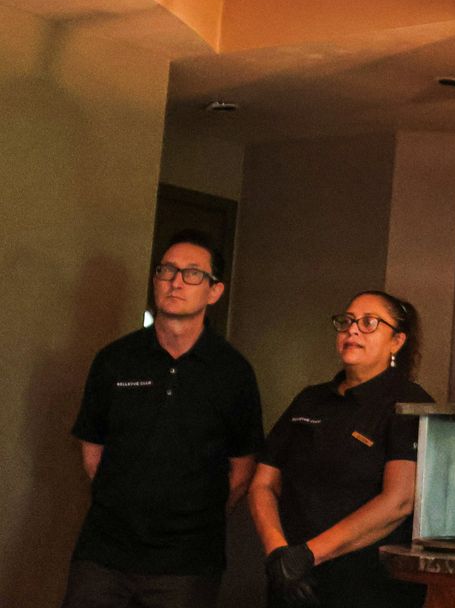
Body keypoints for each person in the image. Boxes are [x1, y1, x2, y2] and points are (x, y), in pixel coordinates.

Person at [63, 229, 265, 608]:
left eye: (192, 273)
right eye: (167, 270)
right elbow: (93, 452)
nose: (176, 282)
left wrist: (192, 515)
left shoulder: (233, 372)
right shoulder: (114, 359)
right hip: (104, 553)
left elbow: (242, 469)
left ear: (214, 291)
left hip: (187, 562)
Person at [249, 290, 434, 608]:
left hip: (367, 588)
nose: (353, 329)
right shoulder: (310, 399)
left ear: (397, 341)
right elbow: (263, 483)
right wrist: (279, 555)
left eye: (369, 322)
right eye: (347, 321)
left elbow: (398, 501)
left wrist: (308, 555)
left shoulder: (408, 403)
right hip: (293, 583)